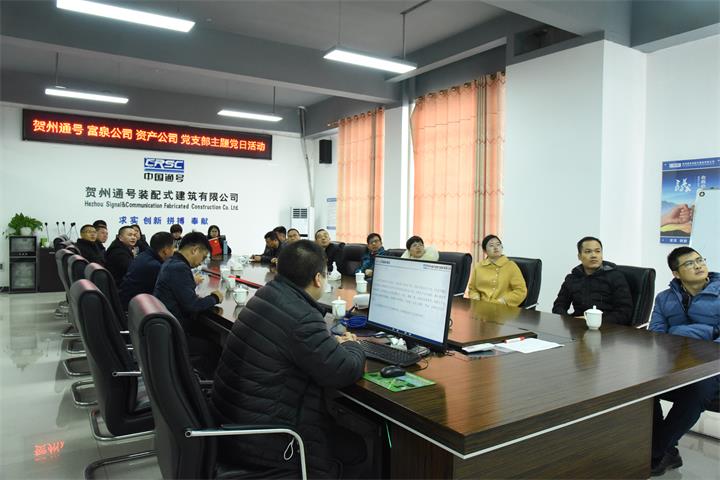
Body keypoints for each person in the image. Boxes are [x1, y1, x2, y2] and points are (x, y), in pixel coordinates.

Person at [211, 240, 366, 478]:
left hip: (233, 423)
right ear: (318, 279)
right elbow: (344, 371)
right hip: (271, 441)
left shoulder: (266, 295)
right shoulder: (302, 317)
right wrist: (353, 345)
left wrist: (327, 343)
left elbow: (295, 343)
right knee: (357, 446)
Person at [647, 247, 719, 476]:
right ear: (676, 273)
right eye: (689, 263)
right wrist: (708, 331)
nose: (698, 266)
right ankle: (666, 450)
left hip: (713, 365)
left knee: (696, 390)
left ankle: (655, 452)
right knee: (642, 387)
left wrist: (680, 332)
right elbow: (656, 334)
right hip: (676, 362)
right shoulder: (664, 298)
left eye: (700, 260)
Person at [154, 232, 224, 378]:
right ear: (194, 250)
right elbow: (192, 305)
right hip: (175, 332)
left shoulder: (171, 262)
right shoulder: (179, 267)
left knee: (209, 333)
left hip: (167, 326)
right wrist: (214, 298)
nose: (201, 263)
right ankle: (207, 385)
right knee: (216, 346)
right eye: (203, 257)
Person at [552, 236, 633, 325]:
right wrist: (570, 321)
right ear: (579, 256)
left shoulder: (615, 277)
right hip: (578, 327)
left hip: (608, 327)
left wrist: (594, 321)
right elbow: (558, 306)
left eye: (598, 251)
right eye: (588, 251)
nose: (594, 255)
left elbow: (625, 312)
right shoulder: (572, 278)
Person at [118, 231, 175, 310]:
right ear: (165, 251)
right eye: (173, 248)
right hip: (134, 309)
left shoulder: (143, 255)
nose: (174, 251)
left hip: (127, 302)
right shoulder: (154, 266)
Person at [467, 235, 527, 306]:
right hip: (481, 306)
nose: (496, 248)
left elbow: (521, 291)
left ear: (502, 247)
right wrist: (476, 299)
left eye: (498, 244)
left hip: (502, 307)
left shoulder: (511, 266)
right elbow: (472, 289)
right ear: (484, 251)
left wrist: (503, 301)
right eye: (491, 245)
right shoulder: (479, 267)